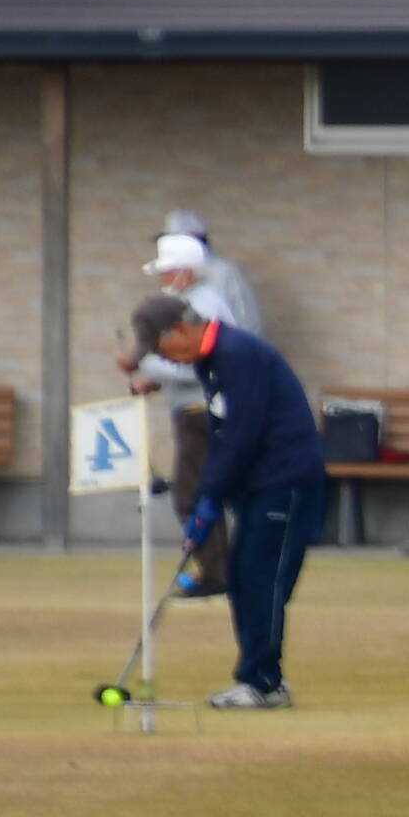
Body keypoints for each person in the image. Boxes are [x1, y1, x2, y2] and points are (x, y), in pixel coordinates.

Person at [136, 295, 330, 710]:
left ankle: (264, 684)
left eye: (160, 348)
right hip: (261, 484)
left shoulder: (237, 354)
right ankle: (259, 679)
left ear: (180, 329)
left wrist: (209, 497)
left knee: (261, 580)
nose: (162, 358)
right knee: (243, 579)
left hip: (286, 481)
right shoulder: (211, 360)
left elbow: (242, 435)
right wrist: (212, 496)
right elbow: (225, 434)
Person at [122, 225, 259, 594]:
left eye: (167, 272)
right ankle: (222, 570)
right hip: (199, 408)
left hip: (202, 411)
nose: (164, 281)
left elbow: (194, 363)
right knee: (202, 491)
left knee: (191, 493)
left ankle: (216, 575)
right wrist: (155, 381)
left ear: (184, 272)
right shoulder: (202, 301)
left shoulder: (200, 306)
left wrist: (147, 366)